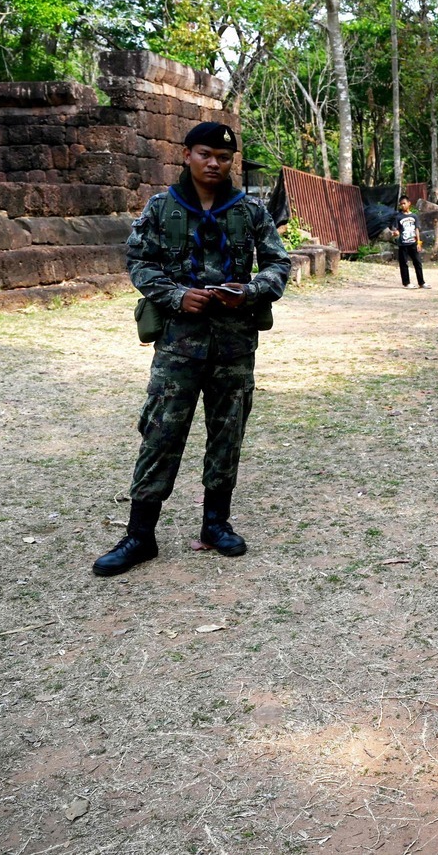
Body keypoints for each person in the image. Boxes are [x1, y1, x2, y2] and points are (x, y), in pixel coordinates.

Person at [92, 121, 291, 577]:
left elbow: (278, 263)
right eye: (206, 154)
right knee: (160, 435)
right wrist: (176, 295)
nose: (215, 163)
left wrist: (251, 290)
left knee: (227, 436)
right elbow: (138, 261)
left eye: (223, 157)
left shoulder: (250, 210)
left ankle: (215, 525)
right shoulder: (162, 207)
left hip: (234, 346)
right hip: (178, 345)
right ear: (187, 155)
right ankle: (140, 535)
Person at [389, 194, 428, 289]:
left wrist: (418, 242)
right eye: (401, 204)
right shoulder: (398, 217)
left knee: (418, 263)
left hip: (413, 243)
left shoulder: (414, 216)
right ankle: (406, 283)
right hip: (403, 244)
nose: (402, 206)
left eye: (404, 203)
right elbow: (397, 230)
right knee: (404, 264)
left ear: (409, 203)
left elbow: (417, 229)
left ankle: (421, 282)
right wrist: (395, 233)